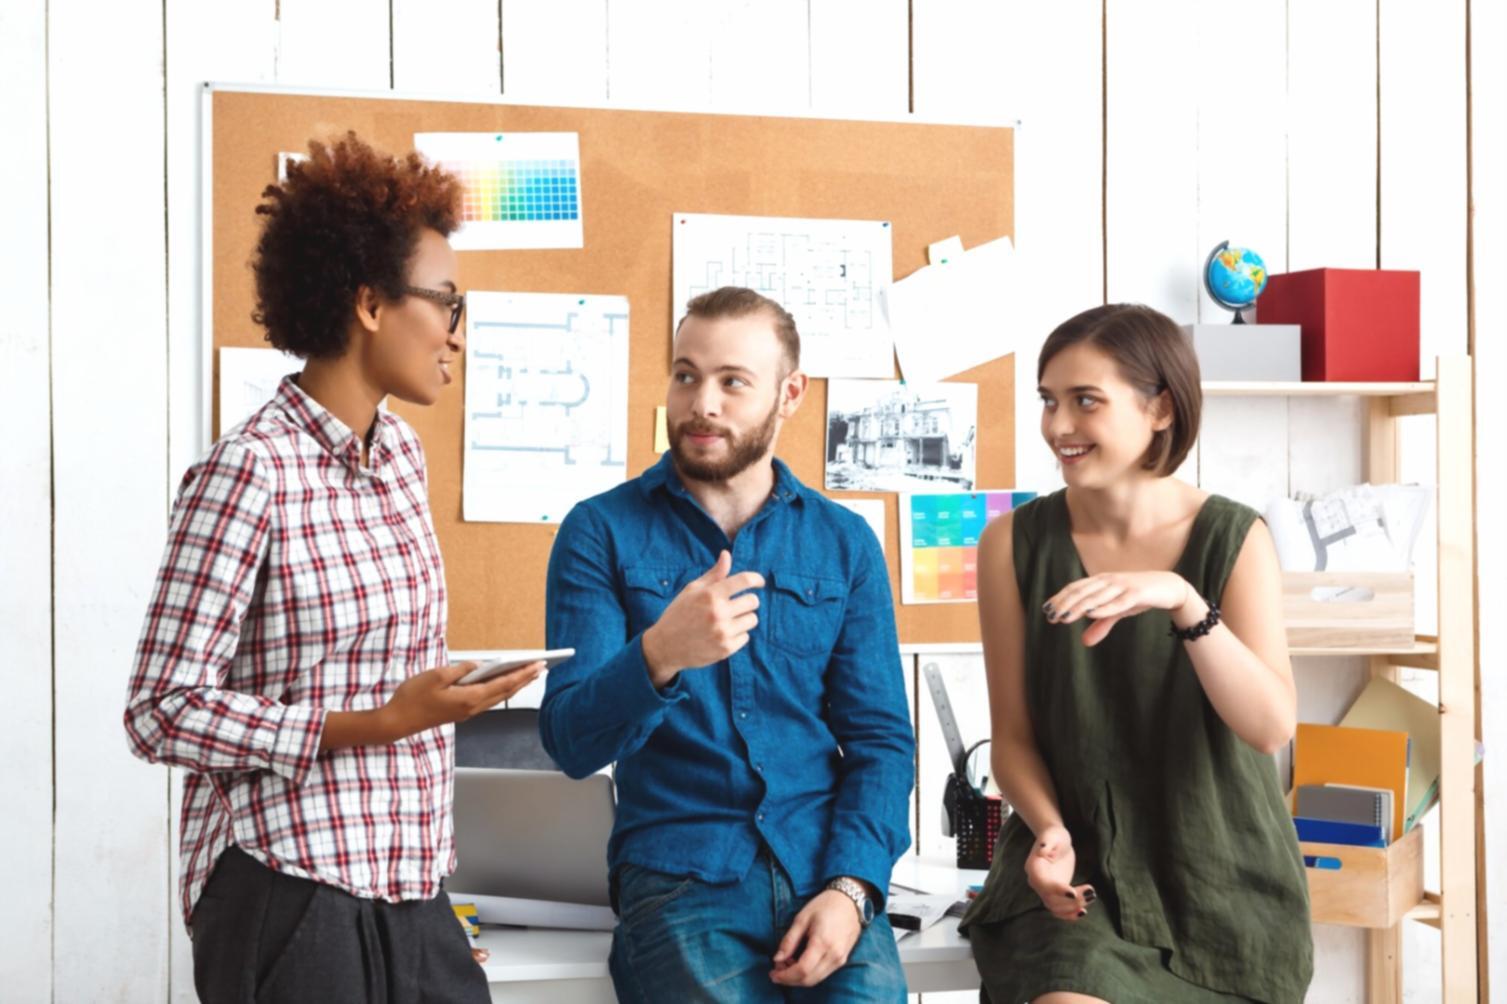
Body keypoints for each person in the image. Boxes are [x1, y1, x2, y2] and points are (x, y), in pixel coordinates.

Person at [123, 132, 542, 1004]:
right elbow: (160, 711)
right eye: (447, 303)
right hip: (289, 884)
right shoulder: (251, 469)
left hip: (410, 886)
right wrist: (372, 724)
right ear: (368, 303)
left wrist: (440, 694)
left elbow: (371, 662)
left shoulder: (400, 457)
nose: (458, 334)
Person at [541, 286, 916, 1001]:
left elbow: (881, 743)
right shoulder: (598, 531)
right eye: (685, 375)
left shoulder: (844, 543)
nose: (701, 403)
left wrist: (852, 888)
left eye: (731, 382)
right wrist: (659, 655)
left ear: (790, 393)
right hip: (682, 877)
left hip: (824, 873)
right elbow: (569, 742)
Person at [961, 304, 1313, 1003]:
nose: (1057, 426)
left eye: (1084, 401)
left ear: (1158, 408)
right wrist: (1049, 831)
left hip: (1218, 876)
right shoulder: (1012, 544)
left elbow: (1269, 726)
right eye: (1048, 401)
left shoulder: (1234, 539)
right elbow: (1013, 739)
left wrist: (1183, 601)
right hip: (1075, 871)